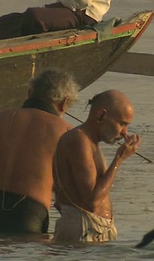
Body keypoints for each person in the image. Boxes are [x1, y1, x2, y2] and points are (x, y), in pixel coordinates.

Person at [0, 68, 80, 234]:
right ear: (64, 102)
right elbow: (70, 194)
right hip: (27, 214)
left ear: (29, 93)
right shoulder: (67, 133)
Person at [52, 90, 142, 243]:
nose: (125, 133)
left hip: (91, 229)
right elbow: (91, 202)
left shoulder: (90, 142)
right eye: (122, 124)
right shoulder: (79, 140)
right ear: (101, 115)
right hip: (83, 230)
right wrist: (119, 159)